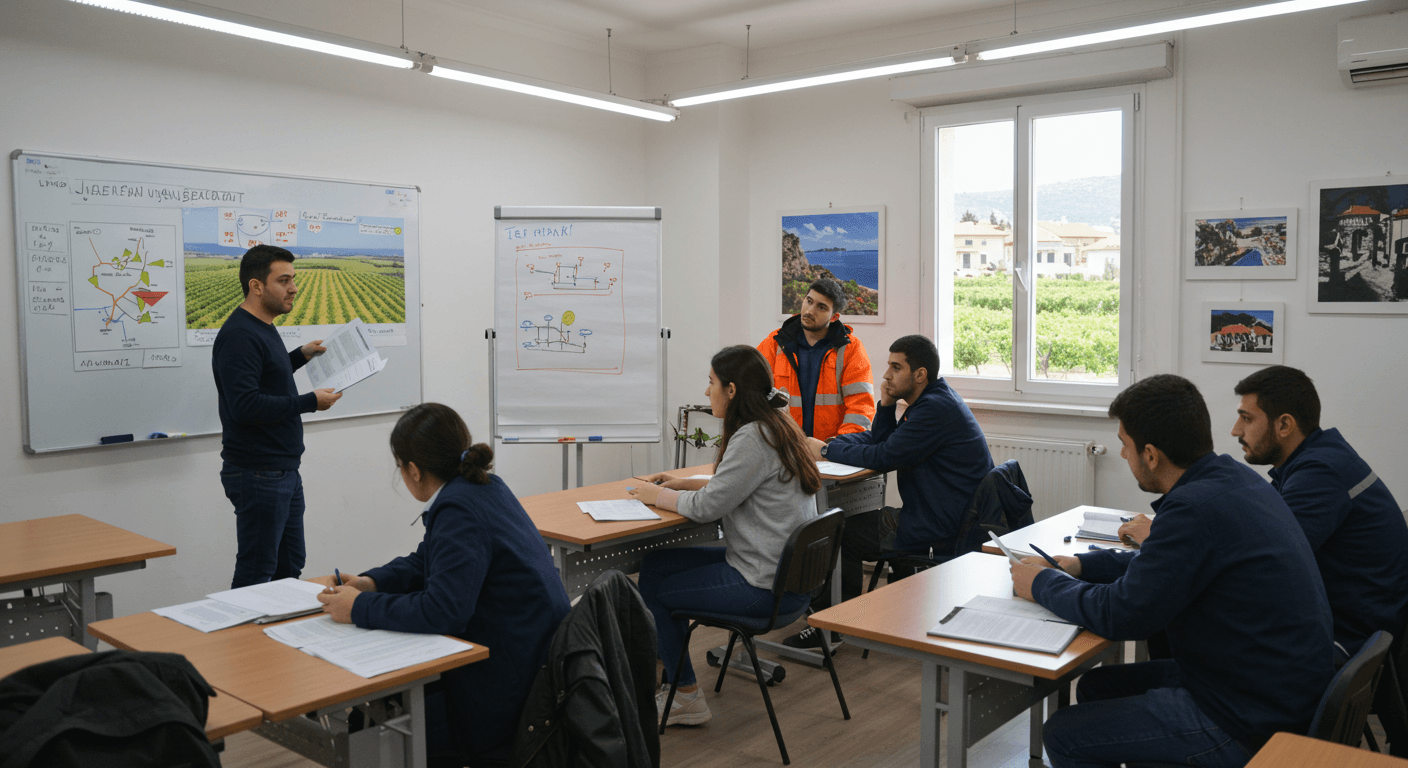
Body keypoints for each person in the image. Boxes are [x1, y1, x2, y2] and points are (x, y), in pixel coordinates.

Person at [1011, 374, 1335, 768]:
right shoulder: (1229, 479)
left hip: (1245, 718)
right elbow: (1164, 565)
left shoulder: (1193, 509)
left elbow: (1120, 614)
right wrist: (1078, 565)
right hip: (1271, 687)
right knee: (1098, 686)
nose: (1122, 456)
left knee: (1063, 734)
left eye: (1125, 447)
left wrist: (1041, 583)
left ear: (1151, 454)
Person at [315, 403, 570, 766]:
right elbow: (429, 557)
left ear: (413, 470)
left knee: (373, 717)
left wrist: (357, 608)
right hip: (529, 658)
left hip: (508, 684)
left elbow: (443, 611)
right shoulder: (480, 487)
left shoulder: (458, 508)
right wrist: (373, 581)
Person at [629, 345, 820, 727]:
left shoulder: (752, 437)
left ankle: (685, 695)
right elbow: (735, 484)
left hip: (763, 586)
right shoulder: (777, 424)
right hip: (786, 578)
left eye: (711, 383)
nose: (706, 392)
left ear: (732, 390)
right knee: (655, 565)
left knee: (658, 594)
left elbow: (706, 508)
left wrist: (657, 495)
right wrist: (684, 482)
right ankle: (672, 680)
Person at [784, 334, 992, 650]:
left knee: (841, 531)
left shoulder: (933, 410)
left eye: (896, 367)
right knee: (857, 521)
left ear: (920, 374)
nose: (886, 375)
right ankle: (897, 611)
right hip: (946, 516)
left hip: (940, 527)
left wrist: (826, 451)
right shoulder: (934, 399)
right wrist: (883, 406)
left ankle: (834, 625)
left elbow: (884, 456)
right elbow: (882, 442)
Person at [1230, 365, 1408, 657]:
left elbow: (1264, 563)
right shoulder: (1320, 457)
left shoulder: (1320, 473)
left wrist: (1181, 543)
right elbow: (1260, 528)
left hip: (1345, 643)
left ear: (1284, 425)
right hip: (1354, 626)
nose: (1236, 430)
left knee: (1200, 622)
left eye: (1246, 419)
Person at [212, 244, 341, 588]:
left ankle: (274, 638)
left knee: (289, 565)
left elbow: (267, 374)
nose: (294, 288)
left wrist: (300, 355)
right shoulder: (239, 335)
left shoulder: (260, 326)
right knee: (257, 570)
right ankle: (242, 642)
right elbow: (247, 405)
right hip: (258, 473)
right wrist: (310, 401)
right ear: (256, 286)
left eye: (293, 279)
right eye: (283, 280)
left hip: (280, 469)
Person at [757, 277, 875, 440]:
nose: (810, 311)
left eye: (821, 307)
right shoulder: (774, 342)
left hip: (831, 453)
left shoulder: (851, 349)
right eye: (809, 301)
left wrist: (837, 448)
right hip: (782, 447)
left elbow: (860, 408)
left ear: (834, 317)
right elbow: (753, 394)